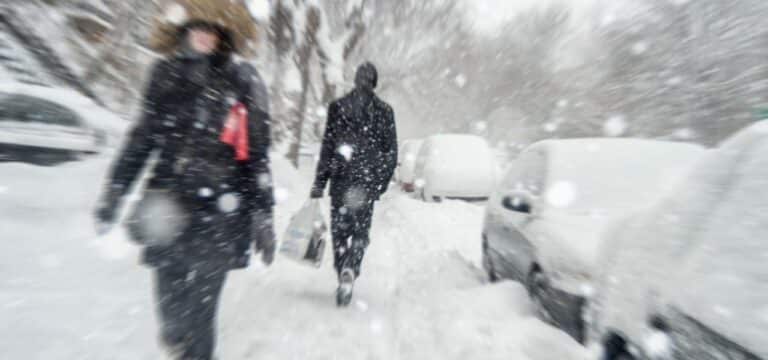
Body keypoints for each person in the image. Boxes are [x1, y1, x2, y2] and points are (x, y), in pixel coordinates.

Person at [94, 1, 274, 359]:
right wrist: (114, 195)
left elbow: (256, 155)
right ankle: (179, 346)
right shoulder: (165, 74)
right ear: (184, 32)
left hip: (221, 215)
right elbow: (142, 139)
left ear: (223, 35)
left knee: (201, 318)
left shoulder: (243, 79)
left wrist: (263, 214)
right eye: (197, 28)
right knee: (172, 319)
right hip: (167, 211)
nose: (204, 36)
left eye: (212, 30)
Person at [310, 62, 398, 307]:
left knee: (340, 232)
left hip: (341, 179)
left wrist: (320, 181)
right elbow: (391, 152)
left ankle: (342, 271)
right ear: (374, 82)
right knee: (360, 232)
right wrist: (379, 183)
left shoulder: (338, 107)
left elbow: (328, 146)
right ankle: (352, 266)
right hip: (365, 183)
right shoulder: (384, 111)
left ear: (356, 80)